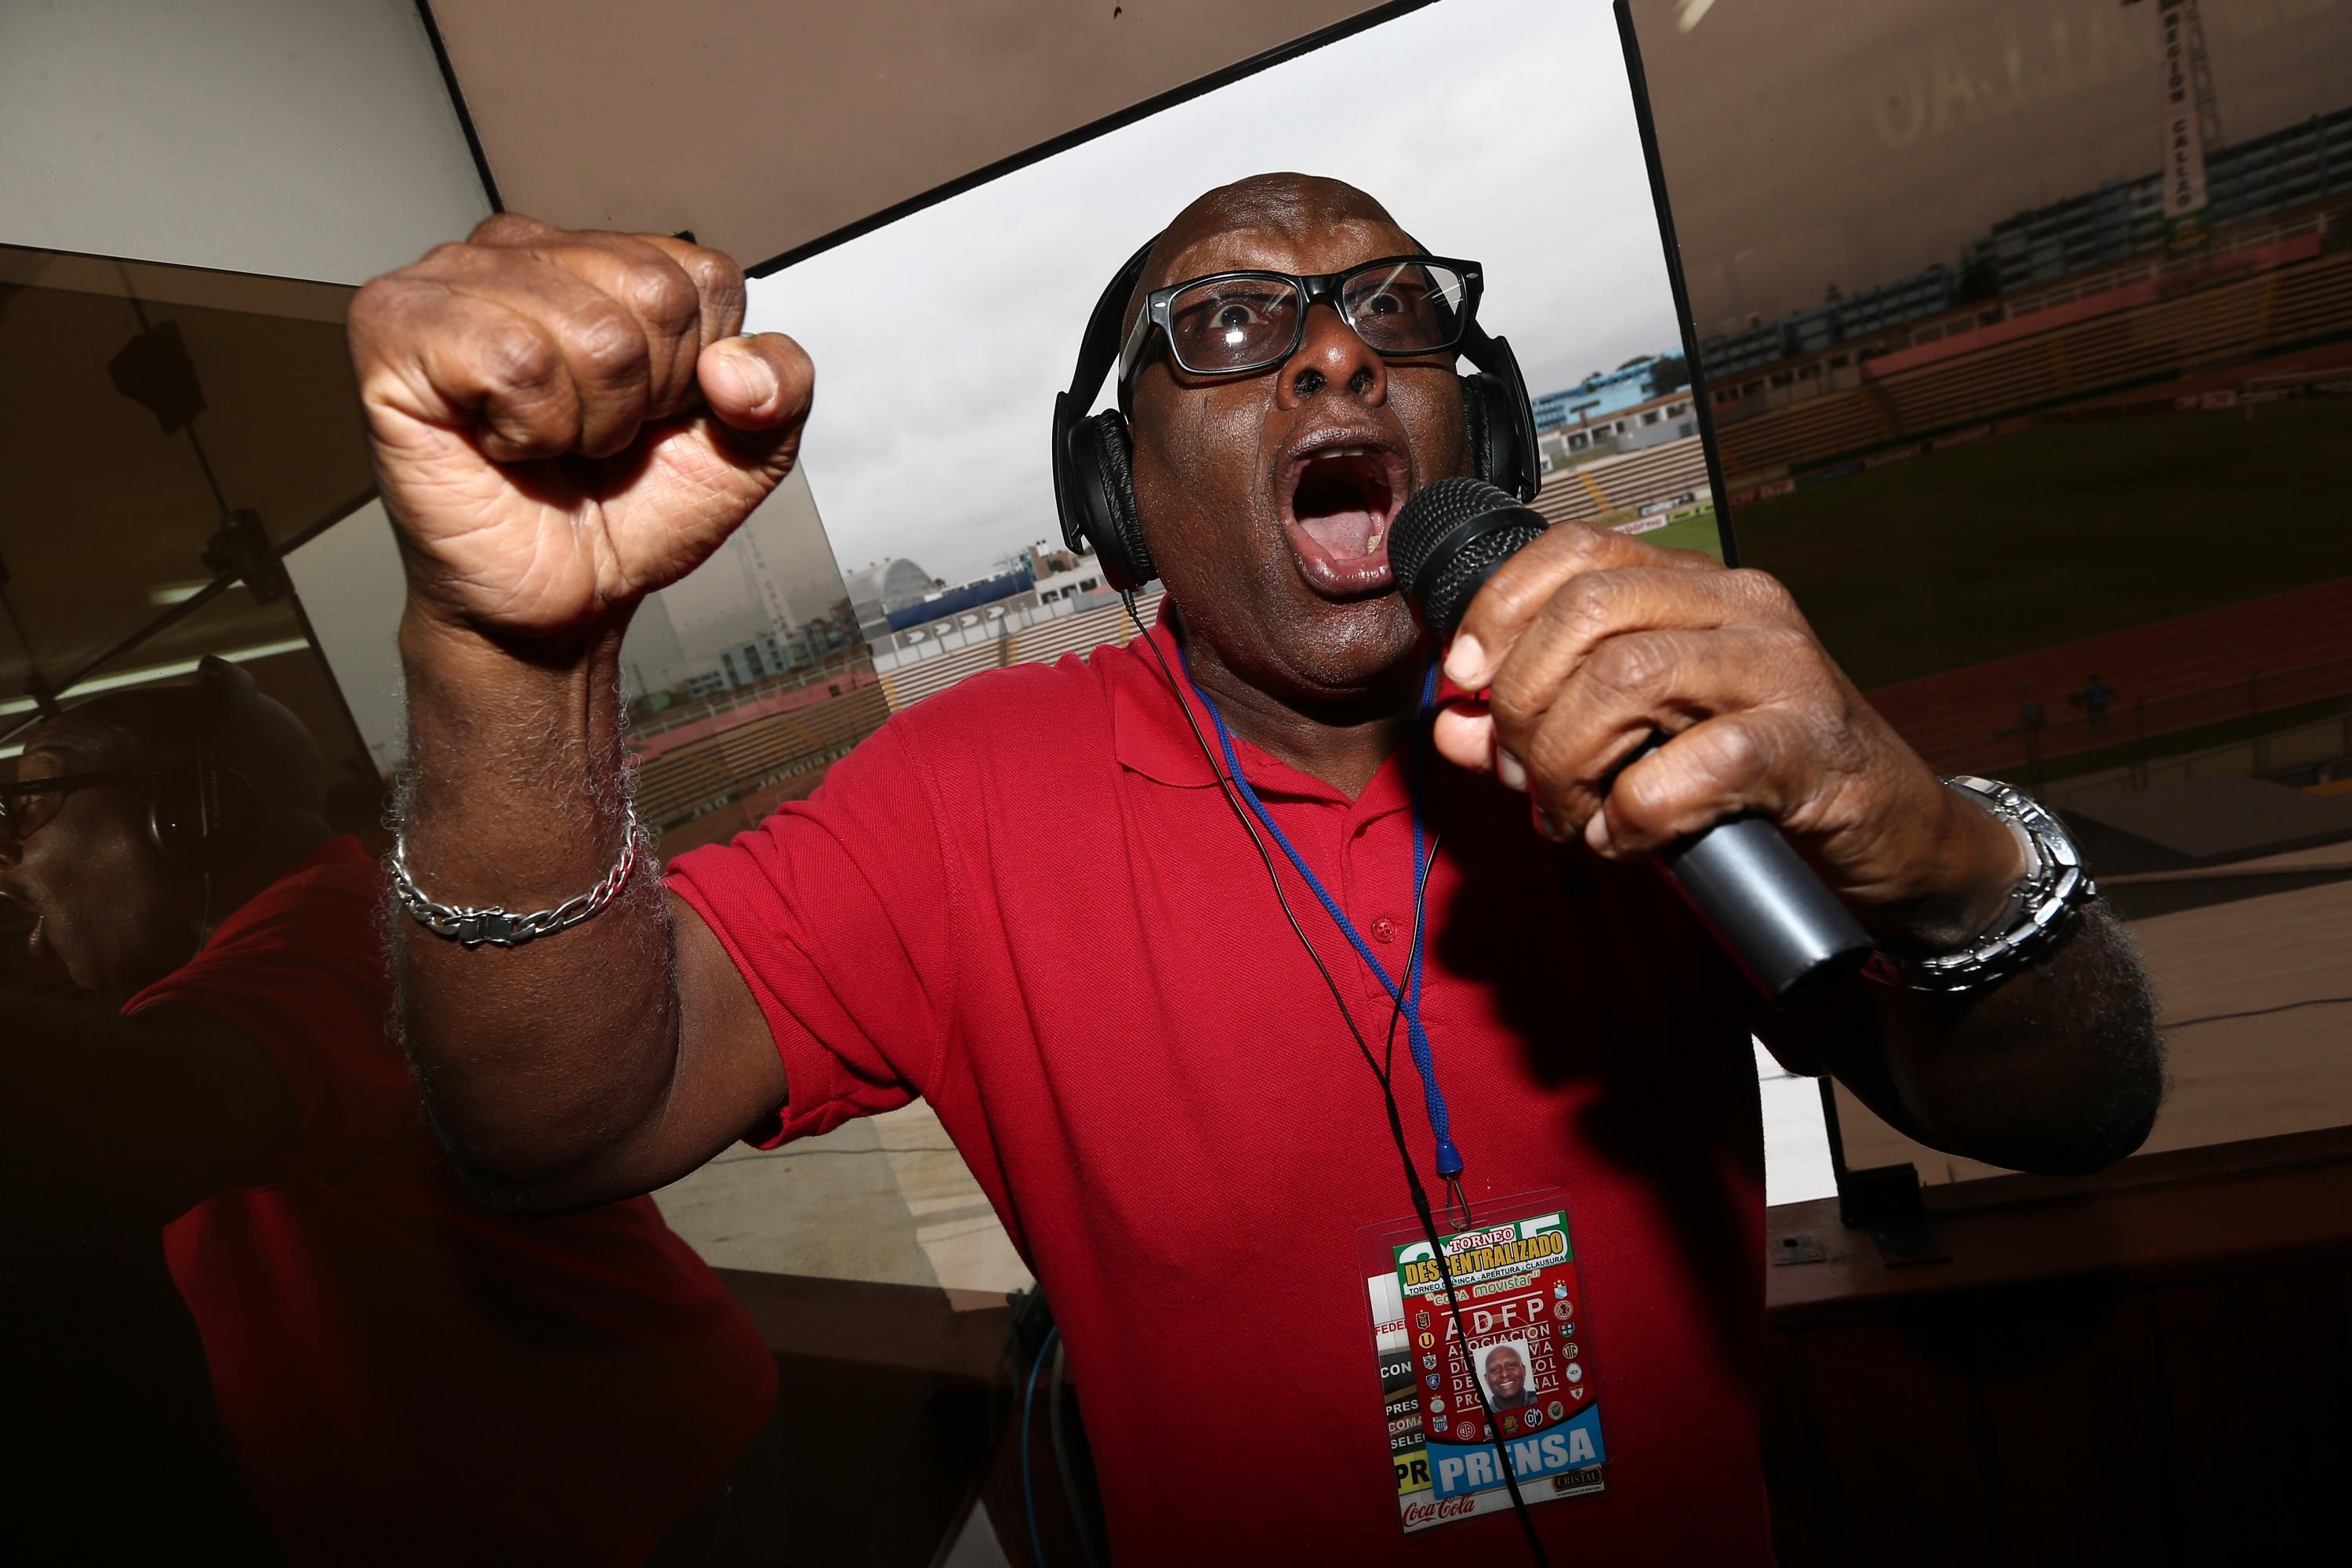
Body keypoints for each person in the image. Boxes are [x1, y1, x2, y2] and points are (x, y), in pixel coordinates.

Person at [354, 175, 2163, 1564]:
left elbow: (2069, 1102)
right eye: (1220, 324)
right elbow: (560, 1115)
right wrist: (508, 666)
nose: (1333, 353)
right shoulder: (961, 797)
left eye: (1391, 307)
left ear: (1486, 428)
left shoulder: (1650, 724)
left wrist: (1936, 853)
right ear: (1123, 491)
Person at [0, 661, 781, 1566]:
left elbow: (133, 1125)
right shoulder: (270, 958)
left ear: (188, 817)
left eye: (32, 809)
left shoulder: (339, 934)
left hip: (624, 1506)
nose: (11, 860)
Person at [1481, 1345, 1533, 1413]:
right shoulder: (1480, 1415)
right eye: (1495, 1370)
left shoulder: (1544, 1399)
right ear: (1486, 1379)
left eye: (1511, 1365)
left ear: (1524, 1370)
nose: (1504, 1374)